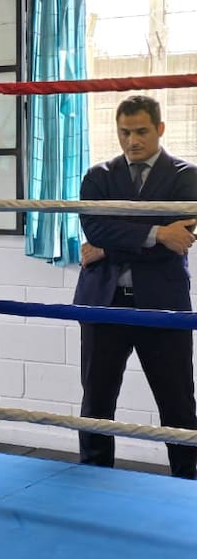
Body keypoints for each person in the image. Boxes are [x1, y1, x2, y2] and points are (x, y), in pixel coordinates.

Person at [75, 94, 197, 478]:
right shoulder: (98, 176)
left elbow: (180, 238)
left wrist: (111, 243)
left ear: (160, 129)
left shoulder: (186, 177)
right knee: (96, 399)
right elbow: (94, 226)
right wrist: (157, 232)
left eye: (141, 131)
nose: (132, 141)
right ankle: (94, 478)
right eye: (125, 132)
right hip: (103, 301)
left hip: (162, 303)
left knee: (177, 401)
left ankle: (188, 482)